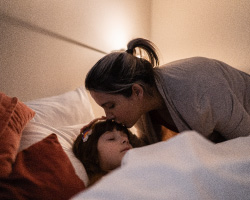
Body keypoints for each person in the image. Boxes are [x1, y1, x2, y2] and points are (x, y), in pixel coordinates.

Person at [85, 38, 250, 144]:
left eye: (111, 105)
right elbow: (150, 146)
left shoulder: (200, 87)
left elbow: (245, 141)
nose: (108, 116)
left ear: (136, 92)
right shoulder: (143, 107)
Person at [73, 118, 143, 187]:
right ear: (93, 154)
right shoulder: (104, 187)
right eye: (111, 138)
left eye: (127, 137)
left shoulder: (141, 170)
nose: (125, 139)